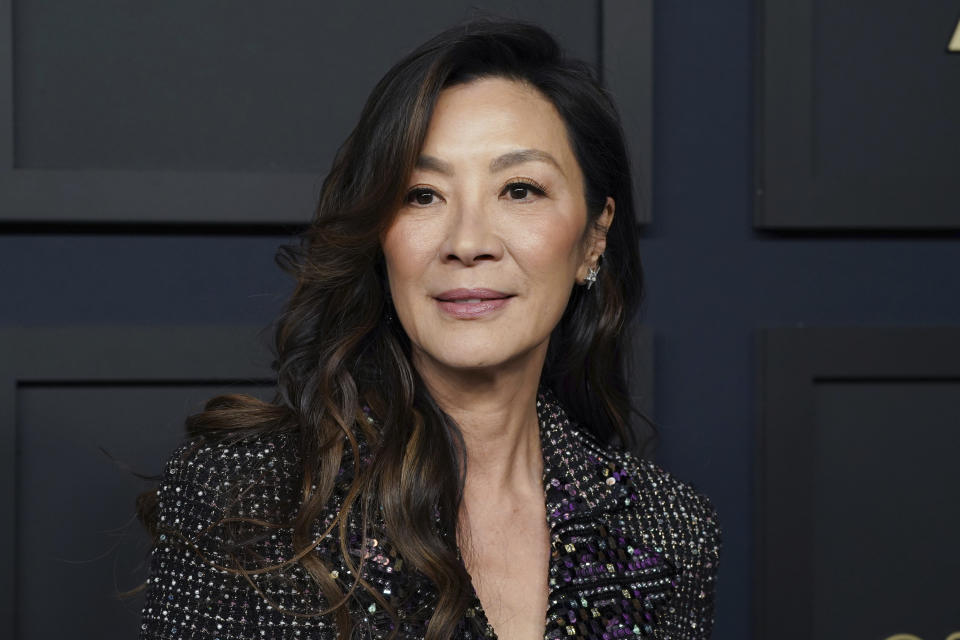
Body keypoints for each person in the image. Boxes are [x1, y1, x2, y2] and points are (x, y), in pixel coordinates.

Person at [137, 18, 721, 640]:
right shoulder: (250, 496)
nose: (467, 243)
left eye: (519, 189)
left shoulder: (669, 529)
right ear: (379, 235)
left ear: (593, 236)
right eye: (422, 195)